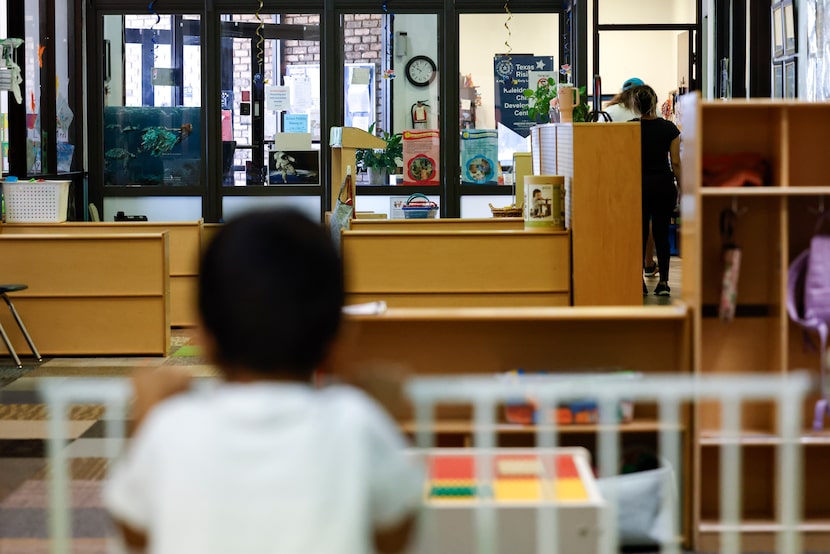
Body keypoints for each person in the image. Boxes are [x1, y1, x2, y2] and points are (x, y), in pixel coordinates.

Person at [103, 208, 424, 554]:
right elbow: (395, 537)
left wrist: (147, 415)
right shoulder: (356, 421)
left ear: (203, 334)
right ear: (339, 337)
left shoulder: (170, 426)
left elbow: (134, 531)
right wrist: (384, 414)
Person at [631, 84, 681, 296]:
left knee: (638, 235)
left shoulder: (629, 128)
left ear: (635, 105)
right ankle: (664, 283)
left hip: (637, 186)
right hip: (663, 185)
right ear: (654, 103)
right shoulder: (669, 129)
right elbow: (676, 163)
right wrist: (684, 188)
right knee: (661, 233)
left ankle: (639, 282)